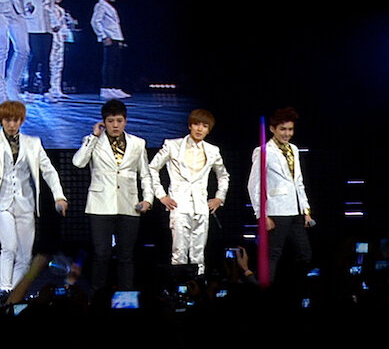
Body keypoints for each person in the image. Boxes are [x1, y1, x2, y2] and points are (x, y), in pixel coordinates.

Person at [0, 100, 68, 295]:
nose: (11, 125)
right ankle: (3, 290)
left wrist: (59, 196)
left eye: (16, 120)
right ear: (1, 120)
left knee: (25, 256)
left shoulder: (33, 143)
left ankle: (15, 293)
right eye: (7, 120)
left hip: (25, 203)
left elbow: (49, 171)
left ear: (22, 120)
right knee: (9, 247)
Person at [71, 99, 153, 291]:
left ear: (125, 121)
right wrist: (93, 136)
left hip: (129, 204)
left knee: (126, 255)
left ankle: (125, 297)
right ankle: (98, 296)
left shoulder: (138, 143)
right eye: (110, 121)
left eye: (119, 121)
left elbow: (145, 174)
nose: (115, 125)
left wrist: (148, 199)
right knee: (102, 253)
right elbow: (78, 162)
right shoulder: (93, 141)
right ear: (104, 122)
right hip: (100, 205)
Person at [149, 109, 230, 276]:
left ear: (209, 130)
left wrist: (219, 198)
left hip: (201, 206)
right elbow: (152, 168)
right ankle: (179, 287)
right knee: (178, 252)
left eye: (204, 126)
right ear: (190, 126)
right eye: (196, 124)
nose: (200, 129)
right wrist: (161, 195)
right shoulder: (172, 145)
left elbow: (223, 175)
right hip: (178, 204)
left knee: (198, 254)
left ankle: (198, 287)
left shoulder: (213, 150)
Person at [247, 107, 314, 282]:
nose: (287, 133)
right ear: (272, 129)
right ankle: (267, 291)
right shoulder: (263, 151)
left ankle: (290, 287)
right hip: (276, 211)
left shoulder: (294, 149)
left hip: (296, 212)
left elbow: (298, 182)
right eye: (283, 129)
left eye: (290, 129)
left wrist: (306, 211)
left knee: (305, 254)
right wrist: (262, 215)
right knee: (273, 255)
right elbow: (254, 185)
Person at [23, 0, 59, 101]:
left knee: (46, 60)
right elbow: (22, 0)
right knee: (35, 57)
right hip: (33, 28)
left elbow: (51, 9)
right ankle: (30, 89)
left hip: (47, 28)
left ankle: (46, 90)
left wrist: (55, 24)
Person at [90, 0, 130, 99]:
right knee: (109, 64)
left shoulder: (110, 6)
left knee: (117, 64)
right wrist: (103, 36)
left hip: (116, 37)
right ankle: (106, 88)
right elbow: (95, 21)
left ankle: (114, 88)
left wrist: (120, 40)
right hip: (109, 38)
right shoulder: (101, 5)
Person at [47, 0, 75, 102]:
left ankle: (57, 88)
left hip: (60, 38)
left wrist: (65, 34)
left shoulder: (61, 10)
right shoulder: (47, 8)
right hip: (51, 37)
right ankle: (49, 88)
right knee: (51, 63)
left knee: (59, 63)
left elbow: (63, 24)